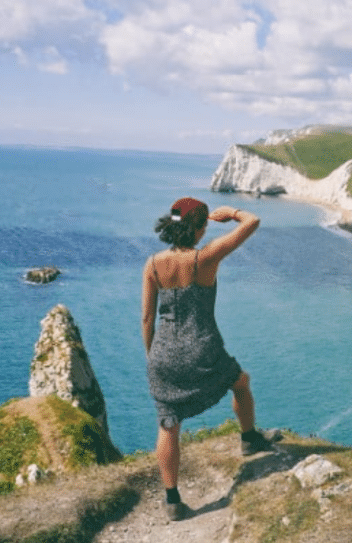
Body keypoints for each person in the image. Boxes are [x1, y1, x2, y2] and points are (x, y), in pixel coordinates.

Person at [141, 197, 281, 521]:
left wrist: (154, 358)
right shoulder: (206, 257)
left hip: (163, 354)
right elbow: (253, 221)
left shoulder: (152, 264)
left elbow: (148, 319)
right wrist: (231, 213)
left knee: (168, 423)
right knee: (241, 382)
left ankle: (173, 501)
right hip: (203, 349)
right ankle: (249, 439)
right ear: (201, 227)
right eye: (204, 224)